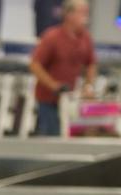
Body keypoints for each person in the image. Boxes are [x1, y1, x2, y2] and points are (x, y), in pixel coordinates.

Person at [29, 0, 96, 137]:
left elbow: (91, 63)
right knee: (51, 135)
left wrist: (88, 86)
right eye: (82, 12)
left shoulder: (85, 38)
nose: (85, 17)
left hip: (70, 99)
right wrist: (53, 85)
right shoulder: (52, 37)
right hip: (48, 99)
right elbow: (35, 65)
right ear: (69, 14)